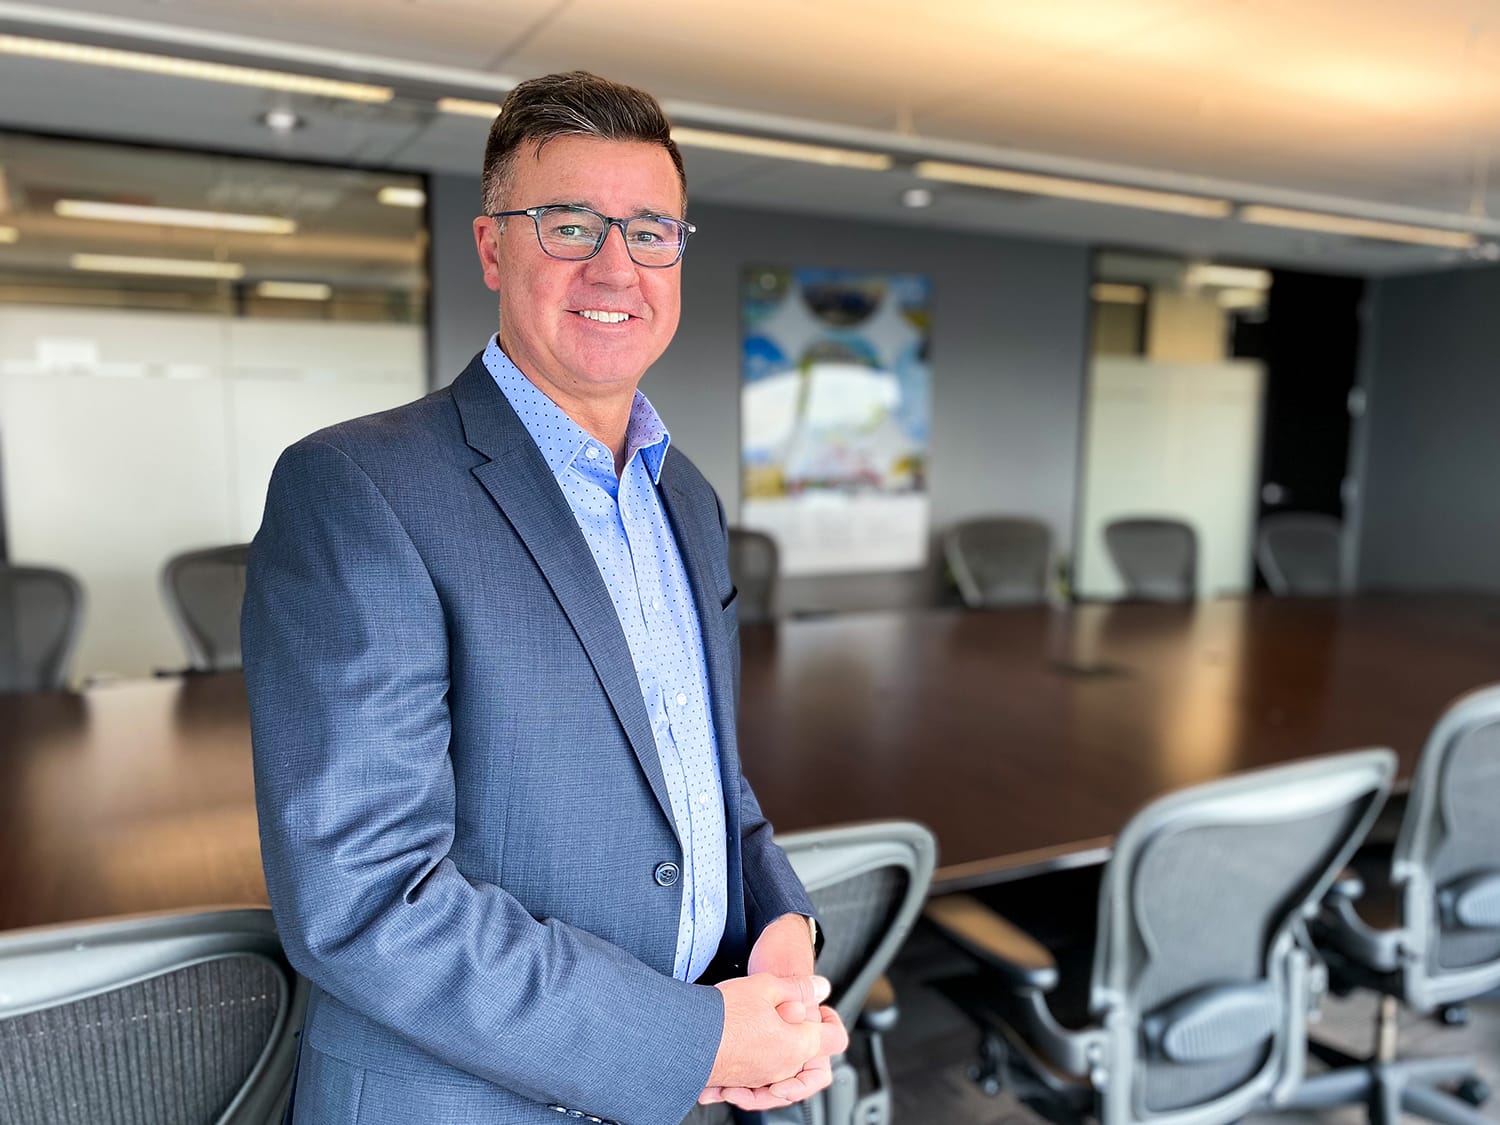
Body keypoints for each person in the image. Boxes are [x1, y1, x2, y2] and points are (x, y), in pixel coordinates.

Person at [242, 70, 846, 1125]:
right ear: (492, 248)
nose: (617, 264)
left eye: (652, 230)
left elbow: (706, 778)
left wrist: (780, 924)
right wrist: (691, 1041)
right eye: (569, 224)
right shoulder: (358, 487)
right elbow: (364, 897)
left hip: (699, 1085)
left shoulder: (687, 498)